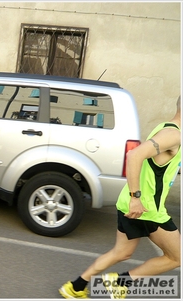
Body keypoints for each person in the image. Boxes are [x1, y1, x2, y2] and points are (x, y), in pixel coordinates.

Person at [59, 96, 181, 299]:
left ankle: (76, 287)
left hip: (132, 204)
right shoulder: (173, 135)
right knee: (177, 257)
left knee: (121, 253)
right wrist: (136, 197)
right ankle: (119, 283)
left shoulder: (165, 127)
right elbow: (134, 156)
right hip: (147, 208)